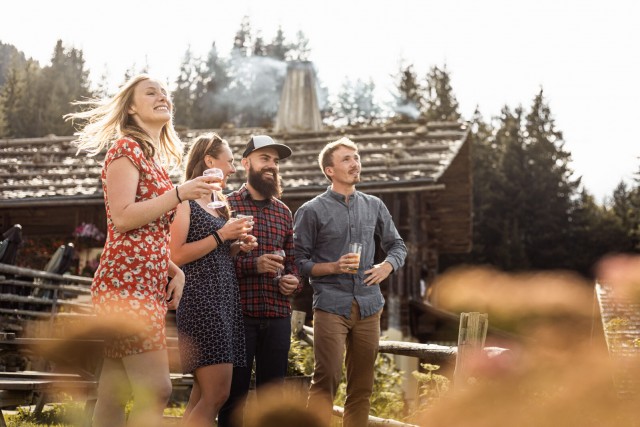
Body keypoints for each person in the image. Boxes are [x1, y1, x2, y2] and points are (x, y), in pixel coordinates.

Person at [65, 74, 219, 427]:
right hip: (124, 284)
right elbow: (120, 219)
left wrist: (173, 269)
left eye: (165, 93)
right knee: (157, 388)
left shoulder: (154, 162)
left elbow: (147, 233)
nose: (162, 97)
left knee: (114, 392)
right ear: (132, 107)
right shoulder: (125, 149)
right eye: (151, 93)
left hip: (147, 284)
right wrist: (179, 193)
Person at [293, 137, 407, 427]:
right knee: (327, 378)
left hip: (370, 306)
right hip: (331, 305)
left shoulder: (374, 205)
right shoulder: (311, 211)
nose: (355, 163)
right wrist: (332, 266)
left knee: (362, 386)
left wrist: (386, 266)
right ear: (329, 170)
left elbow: (397, 246)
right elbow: (298, 262)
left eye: (356, 157)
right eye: (346, 159)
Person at [169, 133, 257, 427]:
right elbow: (176, 255)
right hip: (199, 301)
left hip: (224, 300)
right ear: (209, 161)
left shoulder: (219, 202)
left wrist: (236, 244)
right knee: (218, 394)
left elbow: (216, 250)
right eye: (229, 162)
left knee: (202, 395)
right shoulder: (185, 201)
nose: (233, 169)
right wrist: (222, 235)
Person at [219, 135, 301, 427]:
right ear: (245, 163)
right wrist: (254, 264)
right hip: (239, 316)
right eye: (265, 159)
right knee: (233, 398)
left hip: (278, 316)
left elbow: (292, 262)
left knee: (273, 400)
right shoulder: (225, 206)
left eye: (276, 162)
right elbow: (216, 260)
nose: (272, 166)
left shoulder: (283, 212)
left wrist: (293, 280)